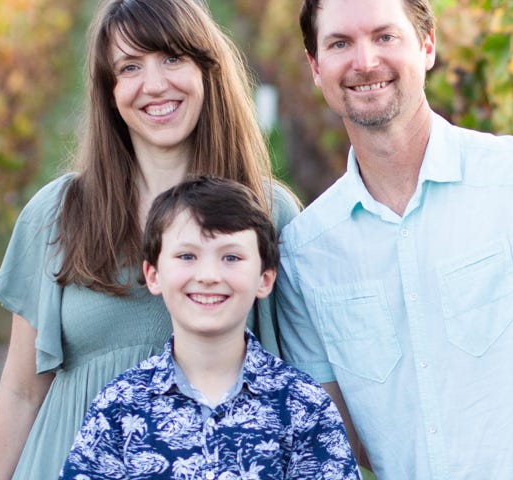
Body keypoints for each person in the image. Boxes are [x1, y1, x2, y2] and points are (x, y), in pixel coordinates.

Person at [275, 0, 513, 478]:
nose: (365, 61)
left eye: (385, 36)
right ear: (316, 67)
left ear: (428, 44)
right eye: (340, 43)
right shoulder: (305, 253)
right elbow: (340, 442)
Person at [0, 0, 301, 478]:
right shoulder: (57, 215)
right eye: (130, 67)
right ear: (110, 92)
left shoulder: (268, 213)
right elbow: (22, 390)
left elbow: (302, 378)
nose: (154, 84)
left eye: (172, 58)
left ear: (207, 71)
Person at [59, 177, 360, 479]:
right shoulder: (119, 406)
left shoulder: (302, 405)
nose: (208, 275)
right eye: (187, 256)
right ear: (153, 275)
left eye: (231, 257)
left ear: (264, 278)